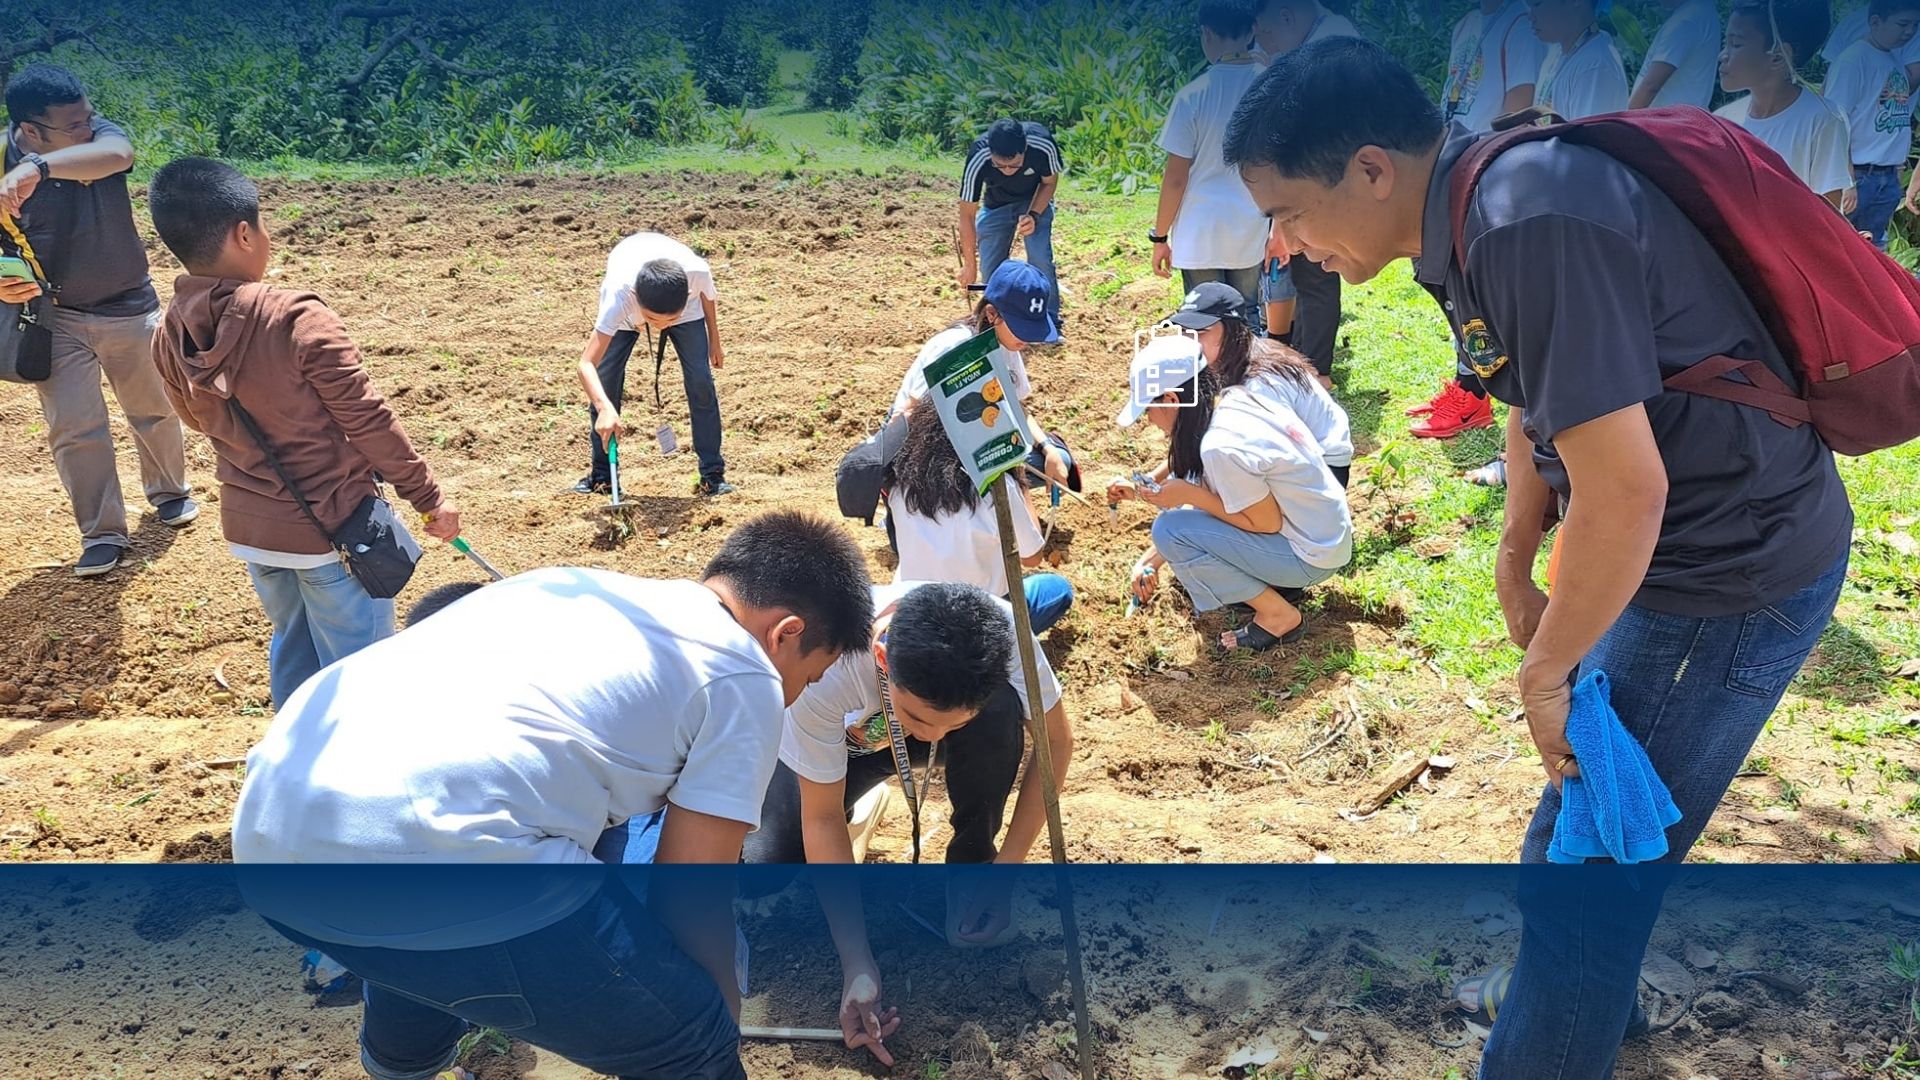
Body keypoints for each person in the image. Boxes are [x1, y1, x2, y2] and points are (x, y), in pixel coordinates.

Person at [1223, 37, 1850, 1075]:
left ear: (1373, 168)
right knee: (1597, 840)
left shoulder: (1523, 222)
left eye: (1286, 211)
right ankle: (1572, 1001)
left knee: (1582, 866)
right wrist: (1517, 555)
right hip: (1675, 552)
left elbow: (1626, 488)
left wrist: (1547, 665)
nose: (1281, 246)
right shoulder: (1471, 205)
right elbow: (1526, 398)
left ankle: (1554, 1025)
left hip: (1726, 574)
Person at [230, 512, 876, 1080]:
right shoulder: (743, 672)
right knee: (688, 1035)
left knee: (425, 922)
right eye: (809, 677)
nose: (796, 697)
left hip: (273, 843)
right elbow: (692, 895)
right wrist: (708, 1030)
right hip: (443, 855)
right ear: (785, 633)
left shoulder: (563, 587)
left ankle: (403, 1068)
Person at [147, 158, 460, 709]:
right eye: (262, 224)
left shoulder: (167, 329)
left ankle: (292, 773)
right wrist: (429, 499)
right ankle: (360, 787)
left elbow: (195, 420)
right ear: (244, 234)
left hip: (252, 529)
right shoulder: (294, 317)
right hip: (332, 529)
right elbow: (366, 419)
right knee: (363, 680)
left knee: (294, 650)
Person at [0, 64, 194, 578]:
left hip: (129, 303)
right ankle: (103, 533)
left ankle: (169, 492)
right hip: (52, 316)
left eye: (88, 117)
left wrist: (36, 169)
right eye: (75, 125)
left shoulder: (98, 136)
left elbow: (119, 154)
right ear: (30, 128)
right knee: (75, 429)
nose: (89, 127)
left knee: (154, 408)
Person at [1111, 335, 1352, 653]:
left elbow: (1265, 523)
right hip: (1325, 533)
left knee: (1170, 530)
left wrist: (1190, 497)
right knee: (1179, 523)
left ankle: (1278, 615)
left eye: (1147, 410)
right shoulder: (1232, 398)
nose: (1149, 421)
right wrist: (1152, 558)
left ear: (1170, 400)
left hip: (1311, 555)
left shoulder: (1221, 447)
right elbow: (1207, 487)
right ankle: (1273, 593)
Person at [888, 260, 1076, 523]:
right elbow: (908, 414)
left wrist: (1047, 449)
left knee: (1061, 461)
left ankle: (981, 507)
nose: (1028, 339)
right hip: (931, 449)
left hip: (980, 441)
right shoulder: (953, 347)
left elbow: (1017, 406)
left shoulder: (1008, 345)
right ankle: (917, 511)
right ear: (991, 314)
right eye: (1021, 327)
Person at [883, 403, 1075, 633]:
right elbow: (1032, 557)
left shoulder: (900, 484)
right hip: (980, 626)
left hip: (915, 618)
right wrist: (1019, 478)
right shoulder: (998, 489)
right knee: (1059, 590)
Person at [574, 231, 732, 498]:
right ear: (636, 297)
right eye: (652, 319)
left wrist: (715, 340)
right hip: (628, 314)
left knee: (701, 381)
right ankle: (602, 477)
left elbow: (707, 296)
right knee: (606, 381)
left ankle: (712, 475)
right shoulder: (619, 295)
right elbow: (586, 364)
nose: (661, 327)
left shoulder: (697, 272)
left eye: (670, 320)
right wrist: (604, 408)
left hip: (685, 311)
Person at [1253, 0, 1358, 381]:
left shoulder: (1326, 48)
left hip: (1322, 186)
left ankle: (1317, 372)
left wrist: (1283, 224)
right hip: (1321, 184)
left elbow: (1306, 140)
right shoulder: (1329, 36)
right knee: (1310, 272)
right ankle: (1309, 362)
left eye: (1264, 32)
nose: (1262, 43)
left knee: (1315, 274)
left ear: (1285, 15)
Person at [1152, 0, 1270, 335]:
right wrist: (1282, 231)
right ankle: (1250, 383)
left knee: (1204, 320)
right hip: (1251, 225)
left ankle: (1213, 386)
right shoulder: (1271, 89)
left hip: (1199, 229)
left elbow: (1175, 178)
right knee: (1247, 312)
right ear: (1251, 32)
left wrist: (1160, 236)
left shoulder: (1192, 95)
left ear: (1206, 33)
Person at [1165, 283, 1352, 488]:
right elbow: (1199, 432)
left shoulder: (1261, 383)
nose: (1188, 339)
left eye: (1199, 331)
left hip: (1324, 466)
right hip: (1295, 458)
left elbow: (1288, 452)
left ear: (1231, 330)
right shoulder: (1225, 358)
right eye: (1183, 330)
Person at [1715, 0, 1852, 209]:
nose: (1722, 56)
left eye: (1736, 44)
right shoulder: (1723, 119)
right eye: (1726, 43)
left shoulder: (1823, 119)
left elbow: (1829, 210)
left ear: (1778, 56)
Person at [1824, 0, 1920, 249]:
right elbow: (1834, 123)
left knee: (1875, 249)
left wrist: (1896, 166)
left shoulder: (1892, 59)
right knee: (1845, 248)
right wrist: (1846, 181)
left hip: (1886, 176)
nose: (1909, 31)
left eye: (1914, 25)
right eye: (1902, 24)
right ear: (1875, 22)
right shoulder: (1853, 61)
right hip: (1859, 175)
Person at [957, 118, 1063, 327]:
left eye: (1014, 165)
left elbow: (1049, 182)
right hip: (996, 205)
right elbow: (967, 214)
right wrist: (969, 264)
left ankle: (1048, 319)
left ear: (1024, 149)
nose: (1007, 170)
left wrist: (1033, 215)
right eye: (999, 165)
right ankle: (999, 318)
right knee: (991, 271)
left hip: (1034, 200)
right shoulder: (979, 157)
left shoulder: (1042, 144)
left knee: (1040, 258)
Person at [1442, 0, 1548, 133]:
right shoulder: (1465, 24)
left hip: (1484, 148)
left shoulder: (1523, 25)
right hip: (1452, 144)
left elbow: (1517, 115)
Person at [1529, 0, 1631, 120]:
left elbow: (1588, 136)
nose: (1531, 17)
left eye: (1537, 4)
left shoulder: (1595, 67)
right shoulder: (1558, 51)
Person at [1629, 0, 1724, 109]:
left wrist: (1623, 121)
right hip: (1682, 118)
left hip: (1663, 121)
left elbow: (1650, 86)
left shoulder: (1685, 20)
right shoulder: (1704, 10)